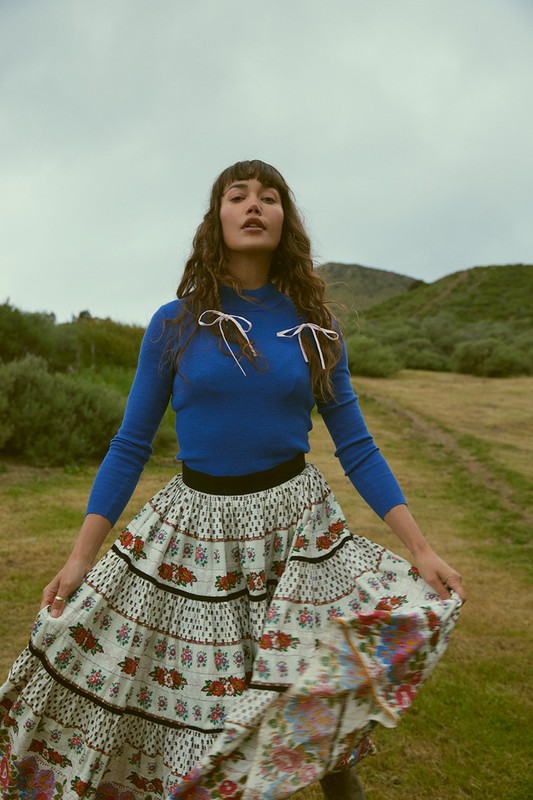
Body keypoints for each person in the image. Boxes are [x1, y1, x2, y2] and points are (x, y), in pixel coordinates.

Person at [0, 160, 464, 800]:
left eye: (269, 197)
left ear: (284, 220)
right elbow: (130, 444)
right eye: (238, 195)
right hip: (198, 529)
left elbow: (356, 446)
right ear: (216, 217)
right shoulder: (175, 324)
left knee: (310, 689)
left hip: (296, 530)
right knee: (198, 703)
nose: (253, 205)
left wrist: (421, 549)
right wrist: (80, 557)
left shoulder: (315, 327)